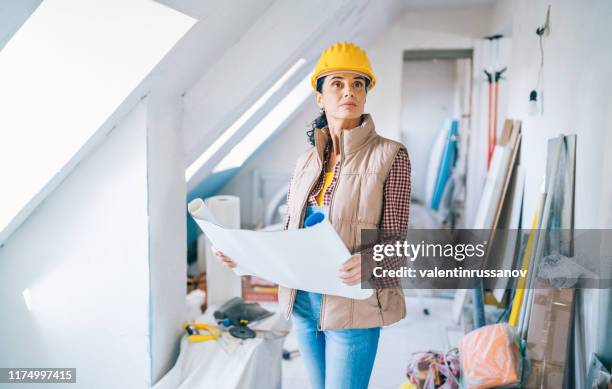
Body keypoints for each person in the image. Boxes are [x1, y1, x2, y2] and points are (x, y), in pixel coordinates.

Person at [213, 41, 411, 389]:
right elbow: (292, 237)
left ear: (365, 94)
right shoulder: (306, 161)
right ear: (320, 96)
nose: (348, 91)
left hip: (352, 310)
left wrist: (370, 261)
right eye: (337, 83)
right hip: (302, 302)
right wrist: (242, 253)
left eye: (357, 84)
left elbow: (398, 244)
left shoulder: (390, 155)